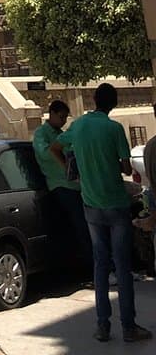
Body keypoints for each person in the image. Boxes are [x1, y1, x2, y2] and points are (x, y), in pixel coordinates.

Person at [53, 83, 152, 344]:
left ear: (94, 100)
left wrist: (72, 171)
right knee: (122, 266)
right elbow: (127, 168)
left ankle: (102, 326)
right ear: (114, 103)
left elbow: (55, 147)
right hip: (116, 204)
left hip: (91, 204)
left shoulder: (78, 126)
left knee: (100, 265)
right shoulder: (114, 129)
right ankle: (129, 327)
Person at [33, 99, 93, 277]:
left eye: (66, 117)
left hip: (75, 184)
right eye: (61, 117)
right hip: (59, 184)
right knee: (82, 225)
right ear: (51, 114)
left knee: (87, 224)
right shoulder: (41, 134)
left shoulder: (61, 134)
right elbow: (45, 154)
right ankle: (92, 266)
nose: (63, 121)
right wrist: (60, 152)